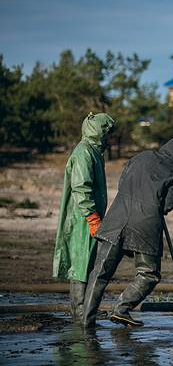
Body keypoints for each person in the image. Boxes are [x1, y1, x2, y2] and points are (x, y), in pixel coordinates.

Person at [82, 132, 173, 328]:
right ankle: (121, 309)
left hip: (116, 218)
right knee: (149, 274)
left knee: (100, 272)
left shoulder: (141, 156)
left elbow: (122, 184)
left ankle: (86, 321)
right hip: (145, 226)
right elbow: (166, 207)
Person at [53, 112, 115, 323]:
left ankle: (85, 313)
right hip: (81, 219)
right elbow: (81, 188)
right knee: (80, 265)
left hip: (89, 217)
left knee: (88, 264)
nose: (109, 138)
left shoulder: (94, 152)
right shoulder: (84, 153)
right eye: (107, 133)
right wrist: (92, 218)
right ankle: (81, 315)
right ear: (99, 132)